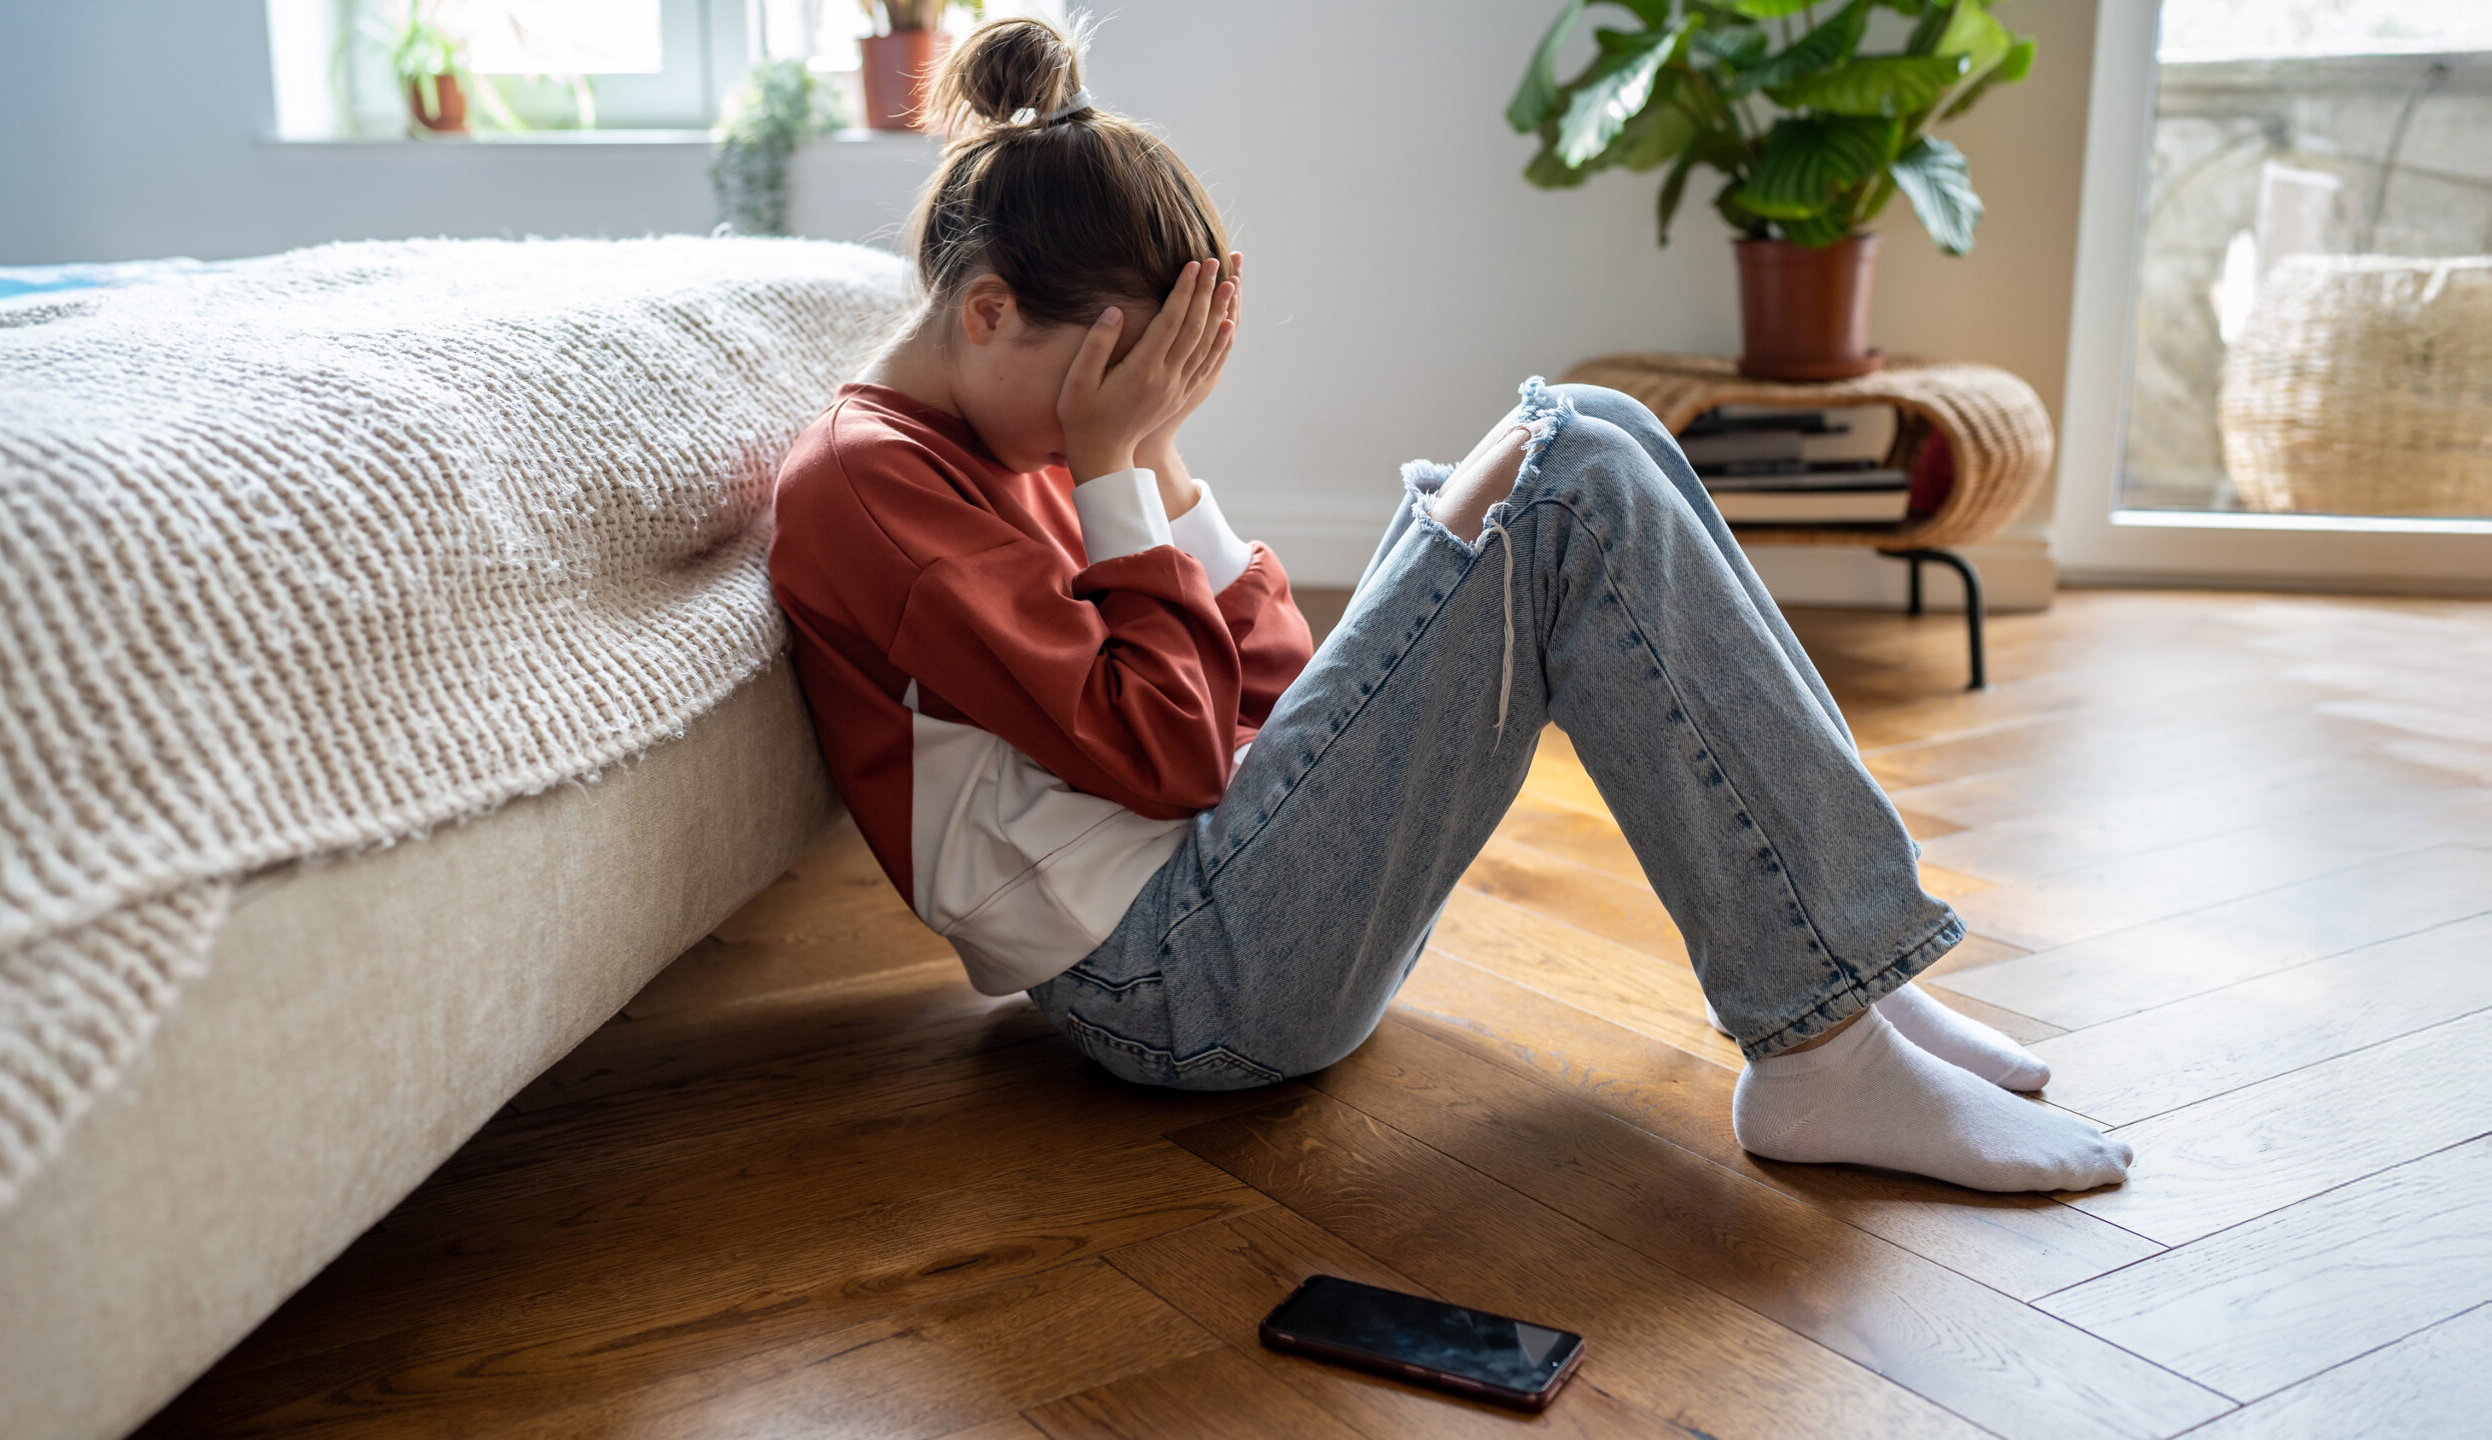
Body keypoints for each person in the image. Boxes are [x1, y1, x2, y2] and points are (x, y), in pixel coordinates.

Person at [766, 16, 2130, 1194]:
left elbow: (1269, 692)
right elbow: (1173, 757)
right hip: (1171, 989)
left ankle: (1849, 983)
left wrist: (1159, 458)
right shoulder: (878, 487)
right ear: (989, 313)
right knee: (1573, 474)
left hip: (1223, 912)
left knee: (1585, 431)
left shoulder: (1027, 439)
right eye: (1116, 377)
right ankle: (1826, 1047)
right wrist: (1115, 464)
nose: (1109, 419)